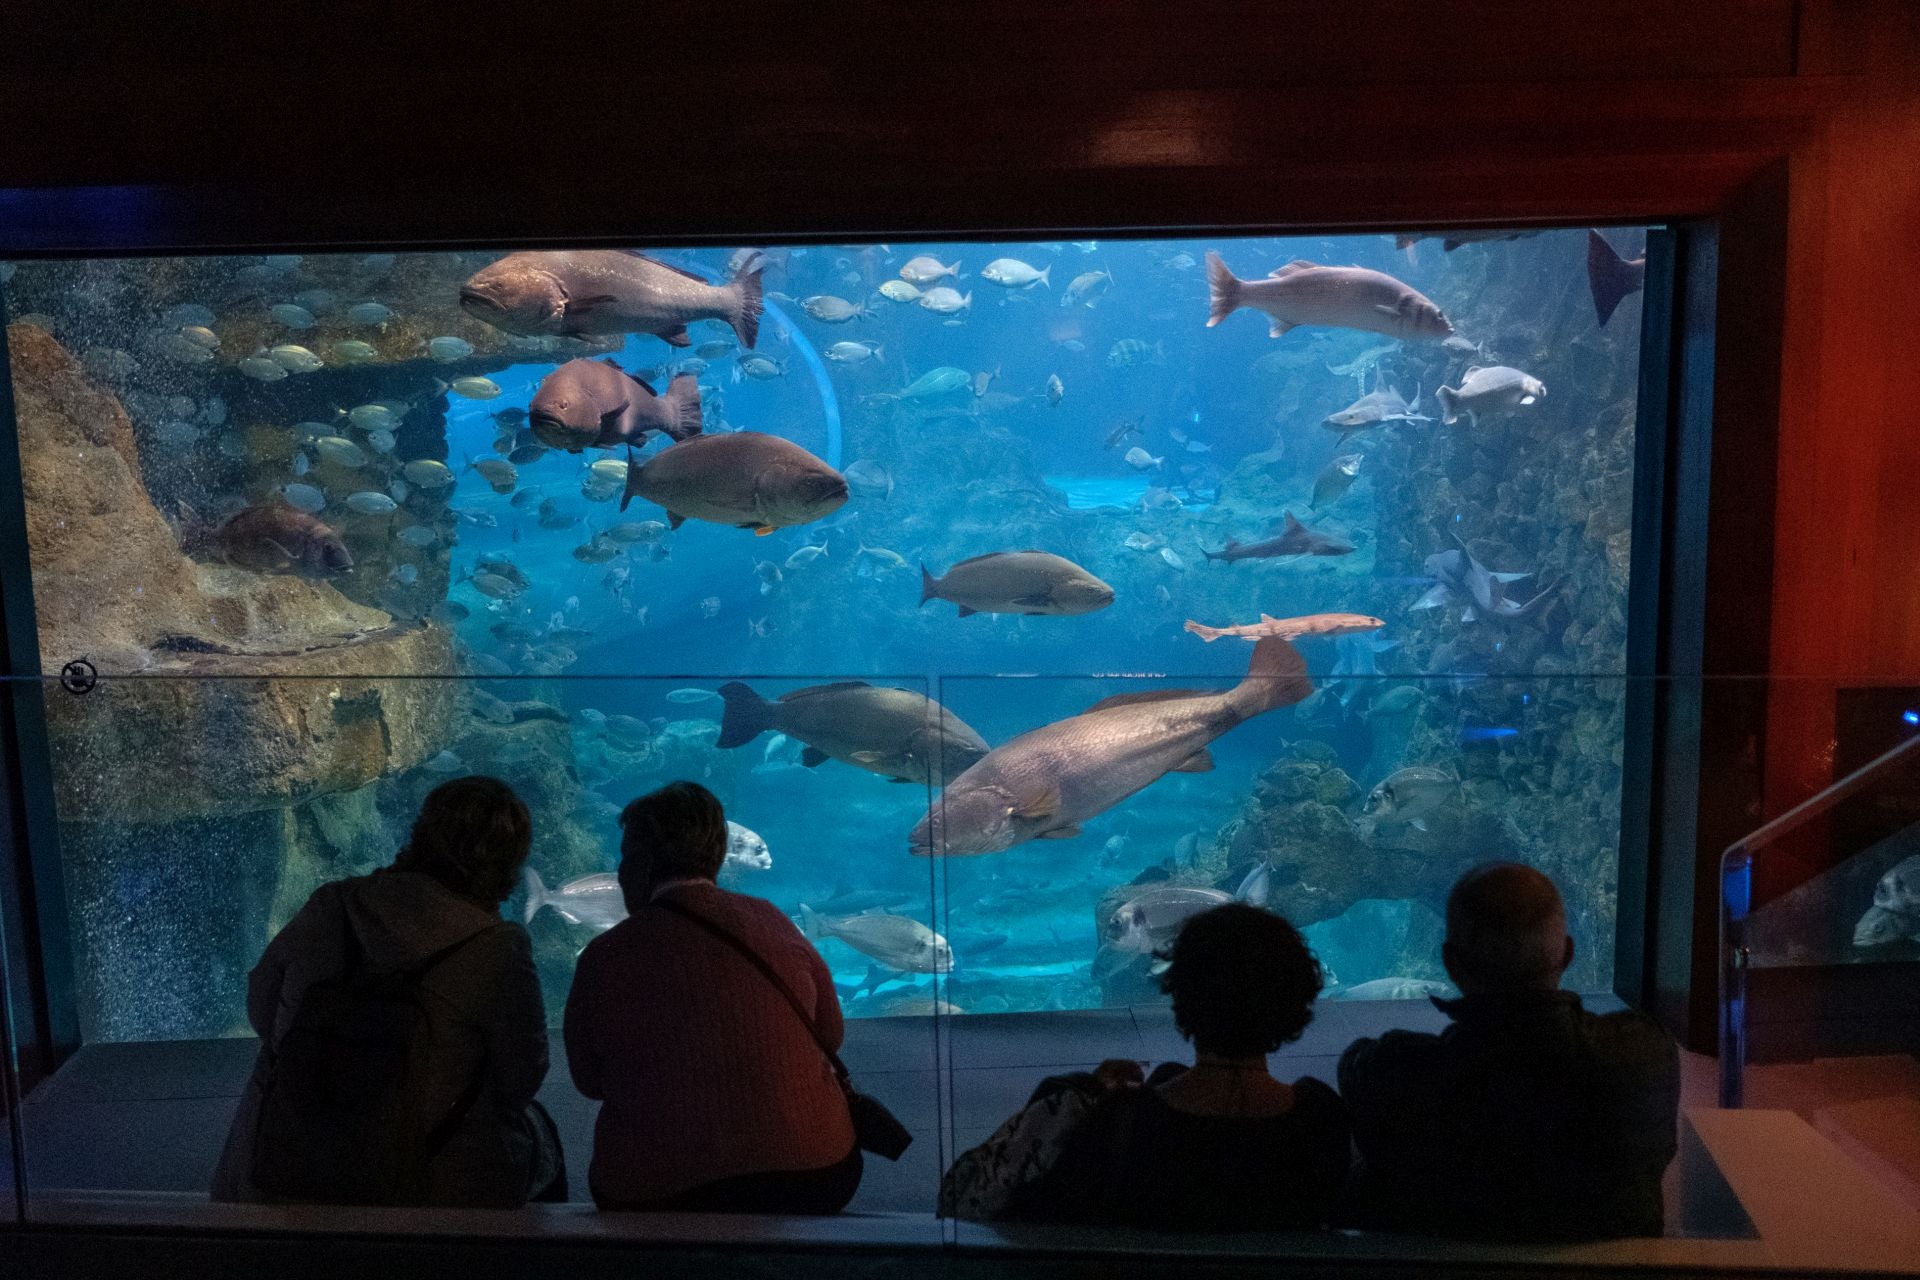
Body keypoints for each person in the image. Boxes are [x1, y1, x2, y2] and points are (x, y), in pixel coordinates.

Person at [212, 776, 564, 1207]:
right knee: (541, 1140)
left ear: (421, 835)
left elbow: (261, 1011)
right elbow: (521, 1078)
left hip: (284, 1162)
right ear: (507, 865)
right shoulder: (497, 948)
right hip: (424, 1184)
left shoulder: (332, 905)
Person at [943, 903, 1348, 1231]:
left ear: (1179, 996)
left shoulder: (1123, 1119)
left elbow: (963, 1196)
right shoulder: (1321, 1116)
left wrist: (1076, 1096)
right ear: (1299, 999)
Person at [1338, 862, 1679, 1241]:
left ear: (1451, 962)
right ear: (1567, 954)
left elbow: (1356, 1068)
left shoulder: (1395, 1072)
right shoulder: (1644, 1053)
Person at [564, 781, 859, 1212]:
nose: (621, 869)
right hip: (815, 1171)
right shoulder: (773, 921)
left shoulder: (604, 955)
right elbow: (830, 1036)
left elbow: (588, 1082)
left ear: (640, 861)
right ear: (717, 854)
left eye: (625, 855)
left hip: (655, 1186)